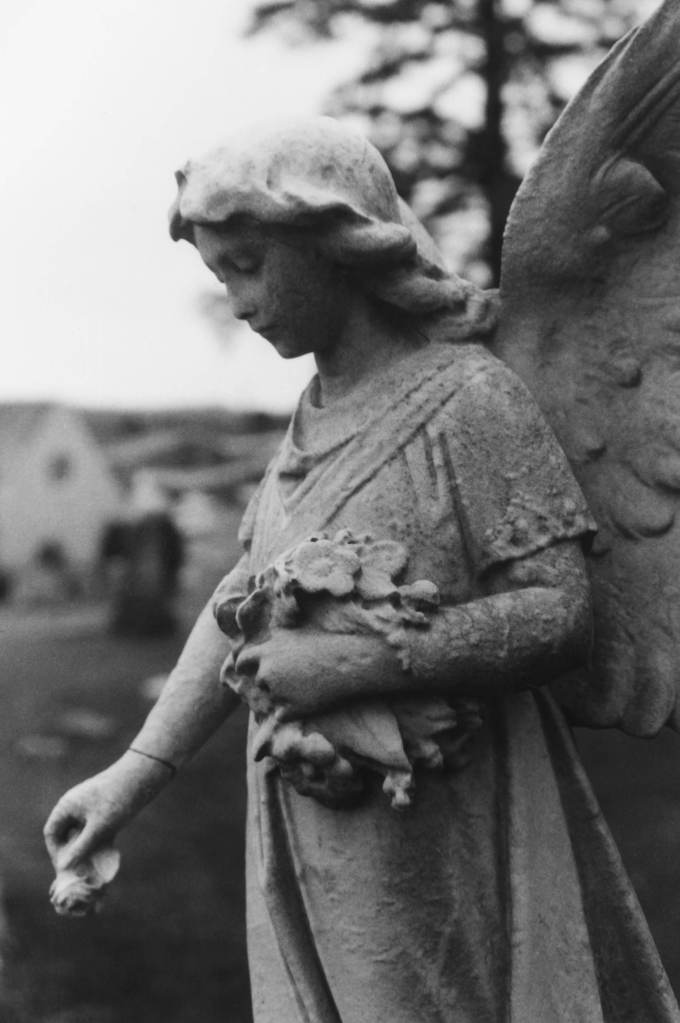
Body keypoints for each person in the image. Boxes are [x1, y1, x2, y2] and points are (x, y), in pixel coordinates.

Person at [44, 118, 680, 1022]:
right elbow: (244, 601)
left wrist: (360, 662)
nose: (235, 298)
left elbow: (559, 611)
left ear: (337, 243)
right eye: (220, 273)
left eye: (249, 263)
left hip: (437, 826)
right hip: (312, 824)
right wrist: (136, 771)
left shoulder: (469, 399)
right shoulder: (314, 412)